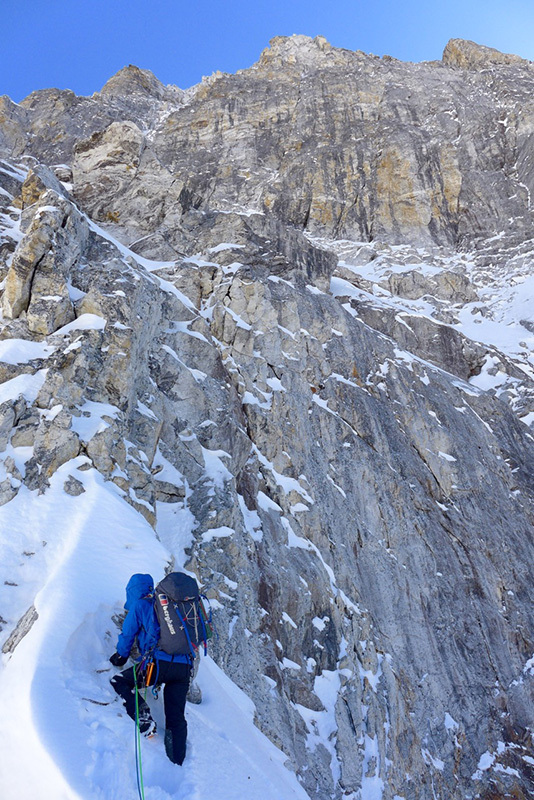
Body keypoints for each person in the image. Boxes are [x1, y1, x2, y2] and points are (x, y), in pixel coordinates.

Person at [109, 573, 193, 765]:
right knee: (175, 717)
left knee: (120, 682)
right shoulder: (169, 606)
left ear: (131, 592)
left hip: (157, 666)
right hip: (183, 668)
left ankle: (144, 719)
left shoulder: (140, 606)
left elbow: (127, 636)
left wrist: (120, 657)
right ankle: (177, 762)